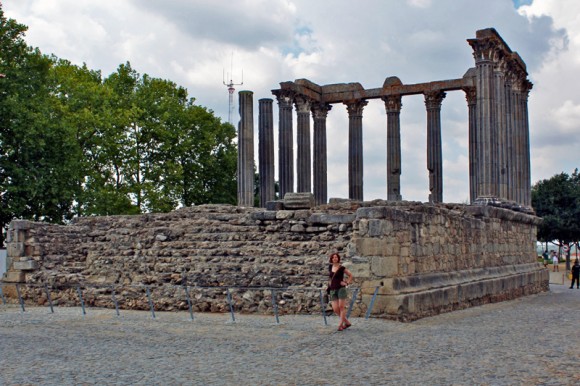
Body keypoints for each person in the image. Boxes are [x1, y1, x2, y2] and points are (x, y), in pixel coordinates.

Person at [327, 252, 354, 331]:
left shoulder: (342, 268)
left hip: (341, 289)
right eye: (333, 257)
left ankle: (340, 324)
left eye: (336, 257)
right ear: (331, 259)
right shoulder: (330, 267)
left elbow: (350, 275)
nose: (335, 258)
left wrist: (347, 283)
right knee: (335, 309)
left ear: (338, 258)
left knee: (341, 307)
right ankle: (347, 322)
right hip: (332, 289)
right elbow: (330, 278)